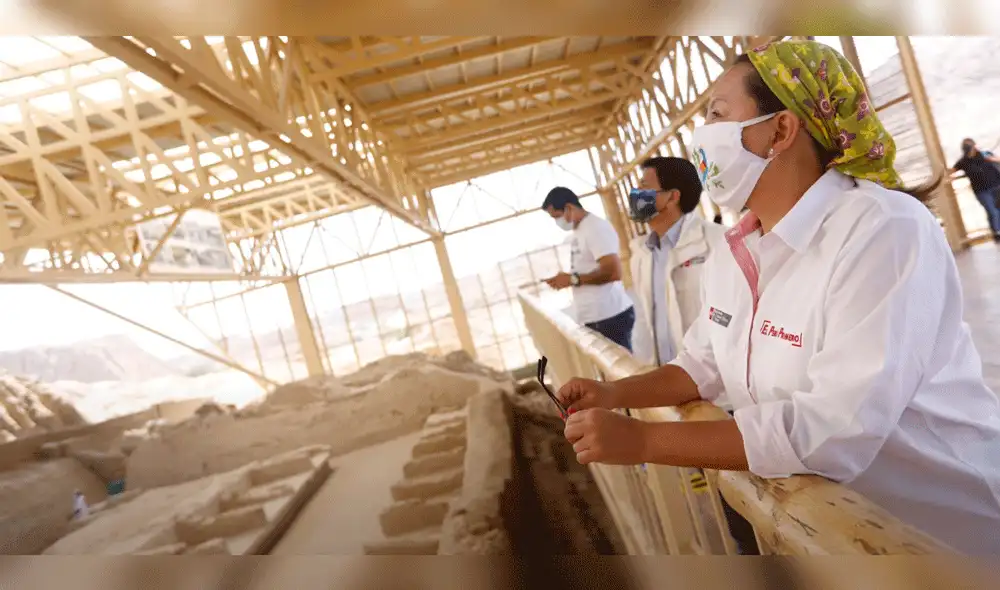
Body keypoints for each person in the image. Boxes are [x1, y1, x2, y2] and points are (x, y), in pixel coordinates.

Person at [556, 40, 1000, 555]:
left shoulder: (882, 230)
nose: (702, 138)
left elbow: (832, 431)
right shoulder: (736, 249)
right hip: (831, 539)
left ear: (781, 130)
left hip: (947, 539)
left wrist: (644, 442)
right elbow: (702, 365)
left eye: (718, 115)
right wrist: (615, 395)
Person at [628, 156, 726, 368]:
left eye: (643, 186)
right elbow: (645, 321)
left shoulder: (719, 243)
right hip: (665, 381)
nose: (635, 194)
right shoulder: (641, 255)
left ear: (672, 196)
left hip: (715, 380)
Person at [541, 187, 635, 351]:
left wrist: (572, 279)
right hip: (597, 317)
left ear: (569, 207)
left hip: (610, 315)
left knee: (622, 371)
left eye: (557, 216)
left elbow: (613, 272)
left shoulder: (595, 228)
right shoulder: (579, 230)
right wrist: (567, 279)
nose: (557, 222)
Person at [950, 138, 1000, 240]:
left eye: (970, 146)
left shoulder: (984, 154)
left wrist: (991, 159)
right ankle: (997, 232)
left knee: (998, 210)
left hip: (996, 185)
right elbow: (951, 171)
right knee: (992, 211)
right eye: (966, 147)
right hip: (981, 191)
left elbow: (998, 160)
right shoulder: (963, 162)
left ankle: (996, 231)